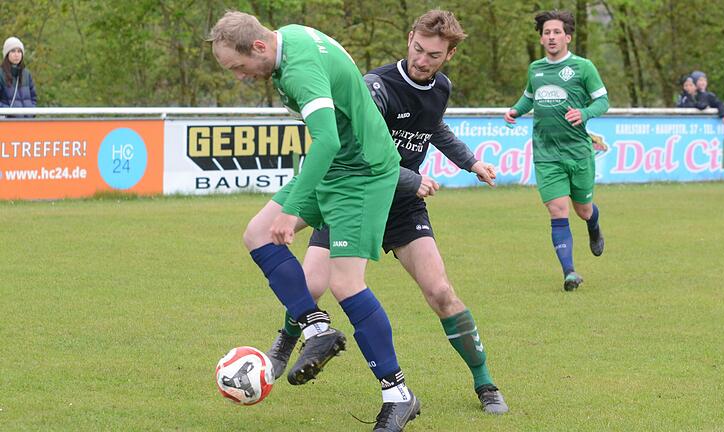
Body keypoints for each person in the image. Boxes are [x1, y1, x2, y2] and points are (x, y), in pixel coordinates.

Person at [265, 10, 509, 415]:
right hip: (354, 191)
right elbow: (363, 146)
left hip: (400, 207)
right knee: (309, 286)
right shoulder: (375, 87)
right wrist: (410, 178)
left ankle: (485, 382)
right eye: (418, 48)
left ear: (448, 55)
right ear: (410, 37)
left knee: (441, 292)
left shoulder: (440, 88)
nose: (422, 59)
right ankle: (282, 348)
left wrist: (470, 163)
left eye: (433, 54)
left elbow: (434, 128)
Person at [207, 11, 420, 431]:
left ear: (260, 47)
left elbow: (327, 138)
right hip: (336, 167)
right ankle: (316, 328)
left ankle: (399, 395)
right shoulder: (289, 39)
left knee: (344, 283)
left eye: (239, 66)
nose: (241, 76)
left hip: (363, 171)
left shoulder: (299, 68)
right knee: (256, 234)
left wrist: (292, 209)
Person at [503, 10, 609, 291]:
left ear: (568, 37)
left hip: (578, 152)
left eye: (556, 32)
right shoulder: (535, 69)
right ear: (541, 39)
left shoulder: (583, 67)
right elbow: (528, 98)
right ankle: (570, 272)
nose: (551, 37)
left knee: (583, 210)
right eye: (546, 33)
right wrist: (515, 110)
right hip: (546, 153)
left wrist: (585, 113)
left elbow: (603, 101)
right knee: (557, 210)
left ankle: (594, 224)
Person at [0, 36, 37, 116]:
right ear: (7, 54)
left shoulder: (26, 74)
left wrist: (31, 112)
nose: (16, 55)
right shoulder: (1, 74)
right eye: (13, 51)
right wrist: (9, 113)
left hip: (28, 122)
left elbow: (33, 97)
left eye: (19, 51)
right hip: (9, 124)